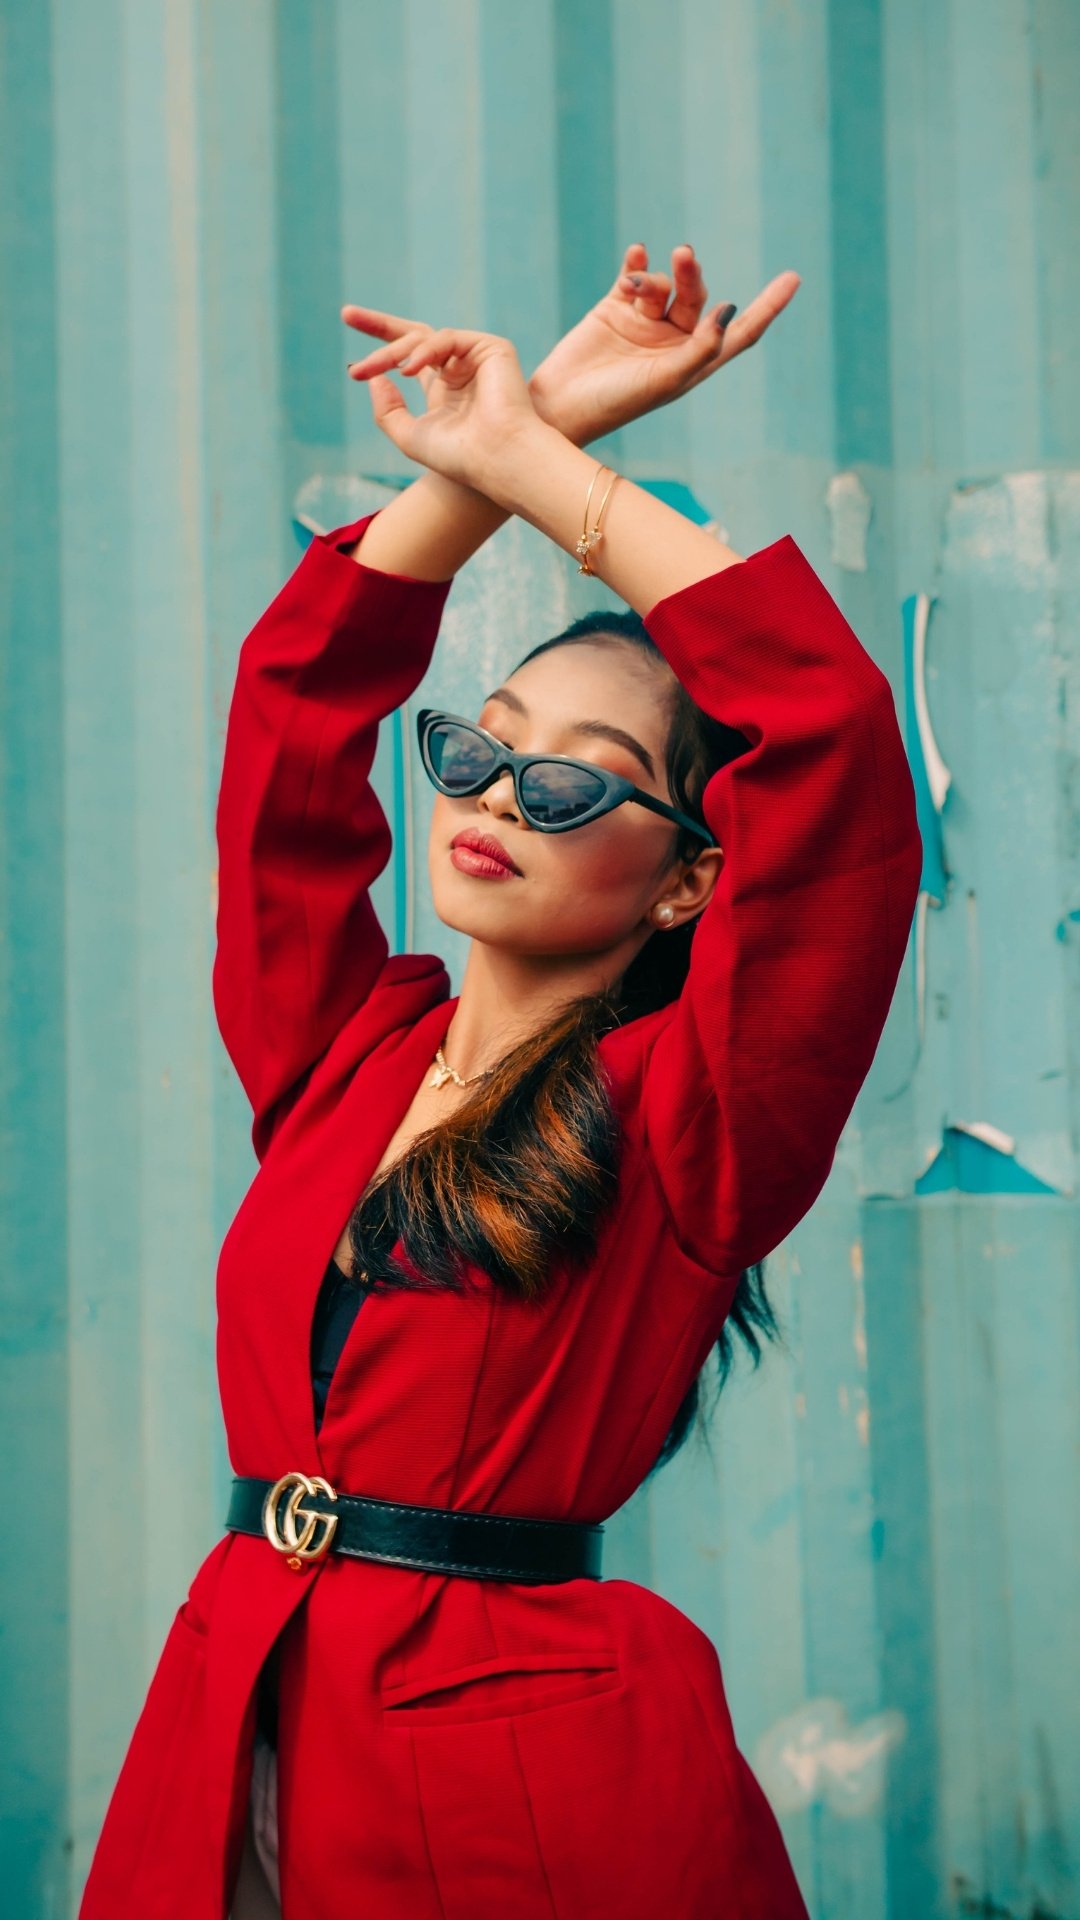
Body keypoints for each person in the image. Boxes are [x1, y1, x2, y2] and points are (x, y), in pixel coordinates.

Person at [78, 244, 922, 1919]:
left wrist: (551, 469)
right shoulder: (347, 1051)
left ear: (687, 879)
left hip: (513, 1794)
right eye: (480, 741)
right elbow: (293, 724)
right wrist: (483, 455)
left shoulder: (693, 1117)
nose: (490, 790)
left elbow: (827, 745)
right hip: (229, 1723)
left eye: (570, 782)